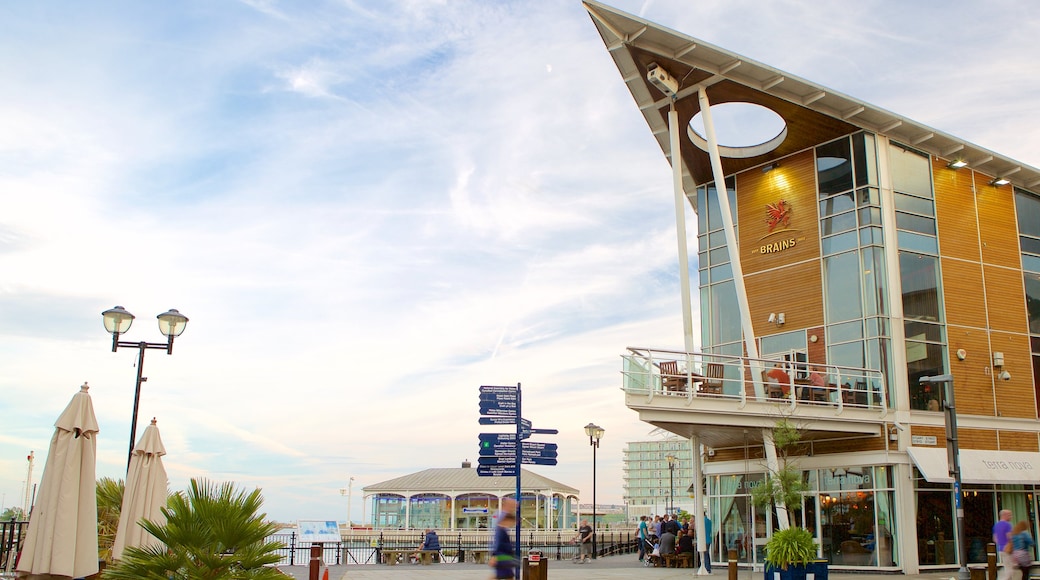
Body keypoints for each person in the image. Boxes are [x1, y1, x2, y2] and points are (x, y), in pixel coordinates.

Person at [490, 511, 517, 580]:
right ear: (507, 520)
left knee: (504, 576)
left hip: (503, 557)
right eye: (512, 522)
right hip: (502, 557)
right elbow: (498, 543)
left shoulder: (501, 530)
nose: (512, 524)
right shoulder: (500, 531)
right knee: (504, 576)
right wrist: (494, 555)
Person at [996, 509, 1014, 580]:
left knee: (1007, 568)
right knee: (1009, 570)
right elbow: (1009, 537)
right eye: (1009, 515)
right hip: (1008, 549)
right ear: (1004, 515)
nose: (1011, 517)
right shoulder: (1007, 525)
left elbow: (995, 538)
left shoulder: (996, 525)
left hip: (1000, 549)